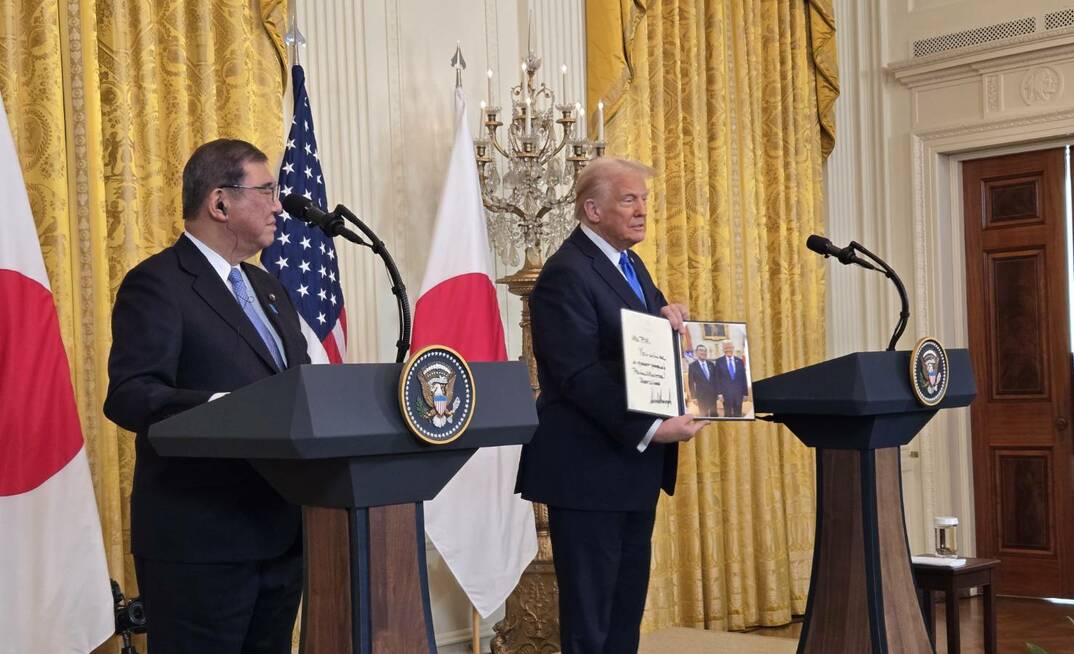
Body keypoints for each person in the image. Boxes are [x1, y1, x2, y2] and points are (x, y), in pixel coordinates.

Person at [104, 139, 309, 654]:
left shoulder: (269, 289)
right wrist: (222, 408)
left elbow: (298, 389)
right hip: (200, 548)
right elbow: (131, 394)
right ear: (220, 203)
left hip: (281, 538)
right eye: (266, 191)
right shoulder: (157, 284)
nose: (279, 205)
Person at [515, 157, 704, 653]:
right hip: (589, 473)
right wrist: (651, 430)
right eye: (629, 199)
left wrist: (670, 317)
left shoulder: (630, 264)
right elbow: (579, 376)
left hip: (629, 472)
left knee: (622, 620)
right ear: (592, 209)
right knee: (590, 626)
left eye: (644, 199)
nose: (642, 210)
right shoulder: (565, 273)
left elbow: (638, 345)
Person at [714, 339, 748, 418]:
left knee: (738, 414)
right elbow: (717, 379)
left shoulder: (739, 361)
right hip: (726, 394)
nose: (728, 349)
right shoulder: (719, 361)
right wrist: (719, 394)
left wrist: (745, 393)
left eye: (729, 347)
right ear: (723, 349)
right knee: (728, 414)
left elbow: (744, 378)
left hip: (738, 394)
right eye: (726, 347)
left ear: (733, 348)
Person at [687, 344, 720, 417]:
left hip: (712, 396)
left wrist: (718, 393)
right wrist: (694, 397)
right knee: (703, 418)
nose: (703, 352)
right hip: (701, 397)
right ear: (696, 352)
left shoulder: (711, 364)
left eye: (705, 351)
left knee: (714, 415)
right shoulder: (692, 366)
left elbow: (716, 380)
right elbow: (691, 383)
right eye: (701, 350)